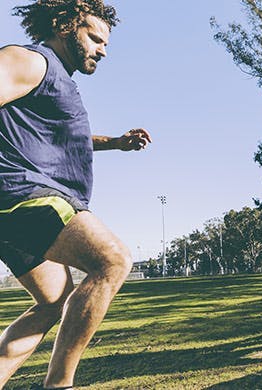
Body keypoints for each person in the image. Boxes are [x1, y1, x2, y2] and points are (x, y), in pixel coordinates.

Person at [0, 1, 151, 388]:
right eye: (96, 38)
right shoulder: (32, 62)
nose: (103, 50)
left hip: (18, 207)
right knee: (113, 260)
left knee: (53, 300)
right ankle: (60, 385)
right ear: (65, 26)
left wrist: (116, 142)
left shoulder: (58, 81)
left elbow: (66, 139)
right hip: (23, 195)